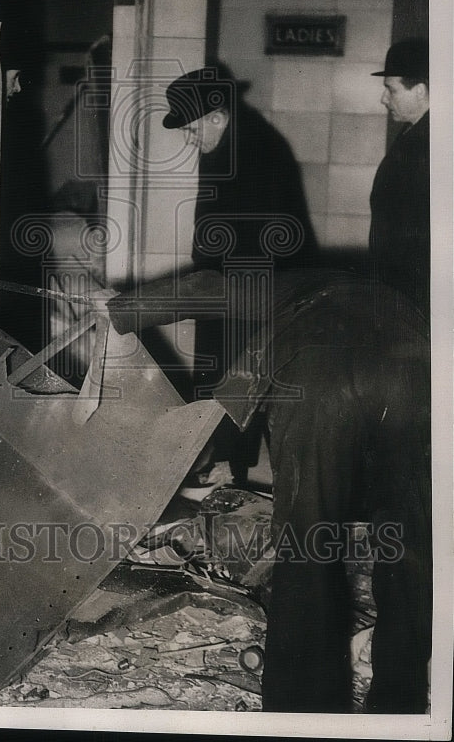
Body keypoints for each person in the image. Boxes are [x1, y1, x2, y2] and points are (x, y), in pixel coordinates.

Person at [107, 266, 431, 713]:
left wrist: (118, 310)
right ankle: (402, 703)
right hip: (416, 380)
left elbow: (211, 288)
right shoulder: (409, 301)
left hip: (318, 379)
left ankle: (302, 708)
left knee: (307, 543)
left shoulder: (308, 284)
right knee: (409, 543)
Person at [161, 67, 318, 484]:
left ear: (217, 115)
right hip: (231, 289)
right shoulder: (230, 143)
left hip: (251, 292)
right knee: (228, 378)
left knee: (237, 378)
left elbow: (262, 240)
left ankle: (227, 469)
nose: (189, 139)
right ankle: (226, 464)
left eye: (193, 130)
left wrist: (209, 288)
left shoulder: (254, 150)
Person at [369, 39, 430, 316]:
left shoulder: (429, 142)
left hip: (414, 297)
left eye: (390, 89)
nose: (384, 98)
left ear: (420, 91)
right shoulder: (413, 132)